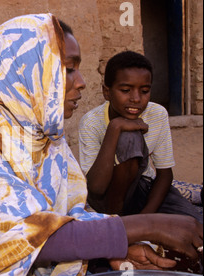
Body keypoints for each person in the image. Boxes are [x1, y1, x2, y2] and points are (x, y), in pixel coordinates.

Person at [0, 14, 202, 276]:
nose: (80, 83)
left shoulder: (39, 128)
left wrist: (116, 247)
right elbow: (28, 237)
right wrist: (149, 224)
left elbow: (61, 215)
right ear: (29, 69)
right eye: (67, 69)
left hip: (22, 270)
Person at [78, 51, 202, 223]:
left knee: (194, 226)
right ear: (107, 92)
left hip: (142, 189)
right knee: (129, 137)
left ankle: (136, 221)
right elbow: (96, 188)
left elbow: (165, 174)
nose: (136, 99)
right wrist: (115, 128)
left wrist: (146, 217)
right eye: (126, 90)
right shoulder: (91, 122)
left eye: (144, 91)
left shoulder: (157, 114)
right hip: (106, 200)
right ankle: (120, 222)